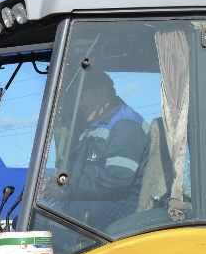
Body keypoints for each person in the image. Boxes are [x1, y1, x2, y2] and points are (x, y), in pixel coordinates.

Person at [48, 69, 149, 230]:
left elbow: (117, 179)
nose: (79, 104)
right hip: (101, 203)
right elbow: (81, 171)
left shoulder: (125, 124)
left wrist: (67, 189)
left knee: (48, 222)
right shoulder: (94, 126)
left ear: (102, 93)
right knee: (38, 215)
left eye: (82, 96)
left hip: (124, 208)